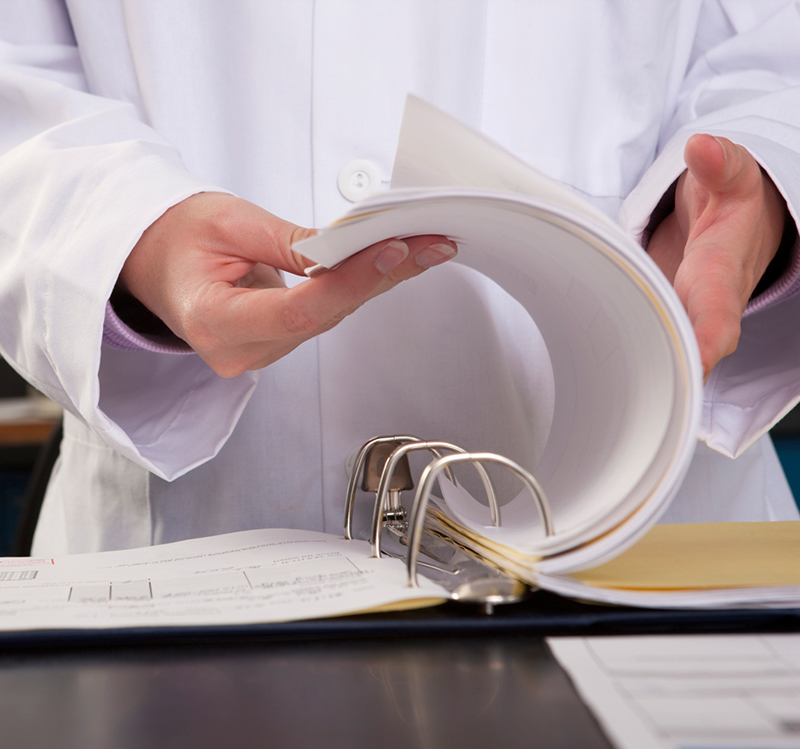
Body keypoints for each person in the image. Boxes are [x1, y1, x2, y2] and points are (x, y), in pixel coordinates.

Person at [1, 0, 799, 555]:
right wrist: (127, 232)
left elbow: (777, 46)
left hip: (653, 541)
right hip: (197, 546)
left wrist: (763, 177)